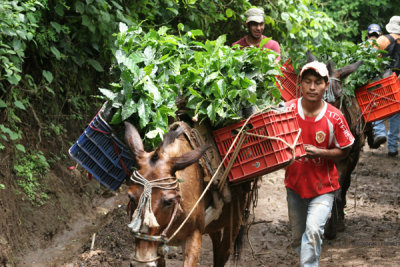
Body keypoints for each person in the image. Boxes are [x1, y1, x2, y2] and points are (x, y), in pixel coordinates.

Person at [284, 61, 354, 266]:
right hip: (294, 186)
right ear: (300, 85)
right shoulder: (286, 110)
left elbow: (345, 150)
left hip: (324, 186)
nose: (312, 87)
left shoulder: (335, 117)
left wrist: (321, 153)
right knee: (298, 238)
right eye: (307, 82)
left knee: (313, 231)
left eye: (317, 82)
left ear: (326, 85)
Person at [368, 17, 400, 156]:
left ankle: (380, 133)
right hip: (398, 84)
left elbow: (370, 59)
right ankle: (392, 148)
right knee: (396, 113)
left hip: (384, 82)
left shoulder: (382, 40)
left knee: (376, 106)